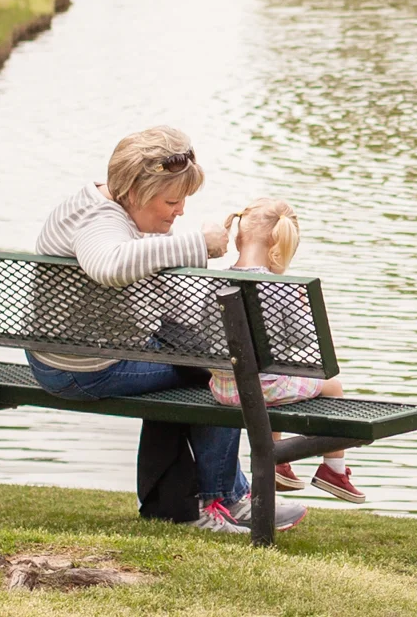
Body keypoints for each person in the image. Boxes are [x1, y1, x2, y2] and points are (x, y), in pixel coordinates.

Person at [26, 126, 308, 533]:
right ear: (136, 191)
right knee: (223, 374)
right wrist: (198, 244)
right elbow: (109, 265)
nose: (180, 212)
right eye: (172, 201)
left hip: (81, 355)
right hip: (82, 368)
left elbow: (172, 304)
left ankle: (185, 504)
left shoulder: (131, 220)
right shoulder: (100, 219)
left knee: (209, 359)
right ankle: (225, 500)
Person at [208, 198, 365, 504]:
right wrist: (302, 308)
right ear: (279, 243)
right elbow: (304, 339)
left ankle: (279, 464)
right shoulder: (280, 288)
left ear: (239, 237)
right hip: (262, 390)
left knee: (268, 376)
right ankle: (334, 470)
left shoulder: (215, 281)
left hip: (223, 389)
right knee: (332, 385)